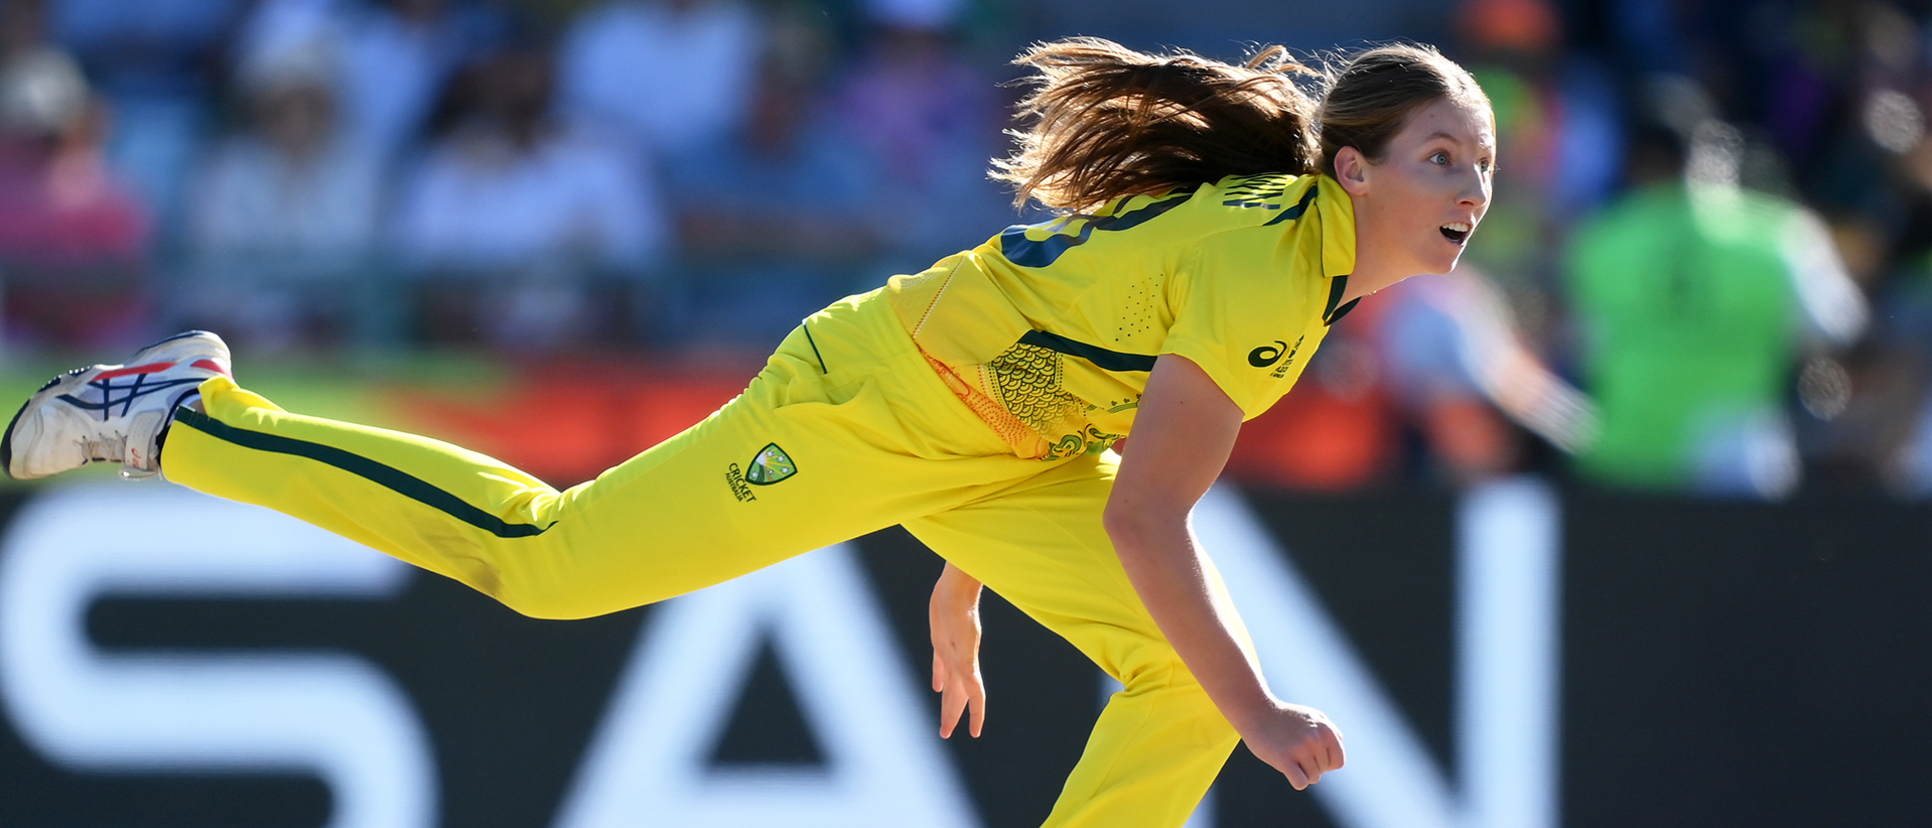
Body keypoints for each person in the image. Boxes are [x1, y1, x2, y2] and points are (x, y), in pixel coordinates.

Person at [2, 37, 1495, 827]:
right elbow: (1144, 520)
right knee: (549, 561)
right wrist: (1268, 717)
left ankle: (184, 416)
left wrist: (975, 565)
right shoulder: (1269, 270)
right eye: (1441, 157)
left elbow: (1074, 365)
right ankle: (187, 417)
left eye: (1483, 164)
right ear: (1352, 169)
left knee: (1177, 662)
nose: (1473, 188)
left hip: (977, 439)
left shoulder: (1293, 257)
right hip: (869, 406)